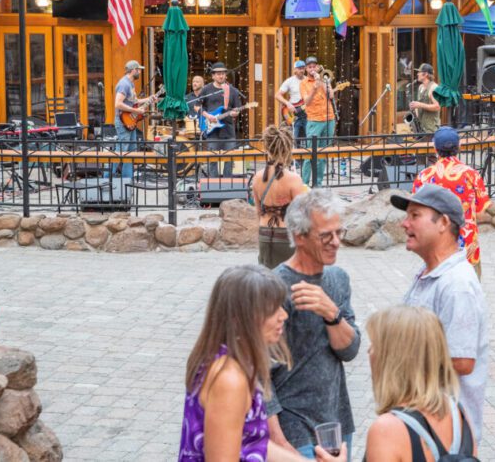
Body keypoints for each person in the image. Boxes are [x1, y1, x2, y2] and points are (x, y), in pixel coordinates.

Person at [180, 265, 345, 462]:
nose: (283, 316)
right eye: (272, 309)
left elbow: (251, 442)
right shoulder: (229, 379)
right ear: (239, 319)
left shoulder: (238, 361)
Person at [269, 190, 361, 458]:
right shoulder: (275, 288)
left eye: (338, 233)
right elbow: (260, 375)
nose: (336, 242)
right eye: (325, 236)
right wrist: (280, 442)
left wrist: (331, 313)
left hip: (338, 426)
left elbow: (349, 350)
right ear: (299, 236)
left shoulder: (338, 279)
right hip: (294, 431)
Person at [395, 185, 488, 442]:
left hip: (444, 435)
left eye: (415, 216)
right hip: (423, 424)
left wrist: (394, 355)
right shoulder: (430, 274)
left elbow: (462, 360)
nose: (404, 224)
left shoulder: (457, 284)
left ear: (443, 223)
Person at [362, 305, 477, 461]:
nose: (369, 351)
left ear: (392, 359)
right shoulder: (457, 412)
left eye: (375, 344)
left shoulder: (387, 430)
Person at [412, 126, 490, 279]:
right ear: (459, 147)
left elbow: (416, 213)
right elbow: (481, 213)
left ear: (435, 147)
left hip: (435, 248)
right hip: (467, 248)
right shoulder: (471, 175)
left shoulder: (424, 176)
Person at [252, 126, 309, 268]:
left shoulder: (257, 178)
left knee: (268, 282)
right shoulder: (294, 179)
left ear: (268, 148)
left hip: (264, 233)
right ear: (287, 149)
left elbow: (258, 212)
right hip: (286, 235)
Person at [197, 62, 246, 177]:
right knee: (212, 159)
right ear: (213, 76)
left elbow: (236, 109)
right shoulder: (206, 89)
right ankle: (213, 183)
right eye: (218, 74)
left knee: (229, 159)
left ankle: (227, 183)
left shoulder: (232, 91)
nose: (221, 76)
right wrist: (208, 116)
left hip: (228, 130)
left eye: (223, 73)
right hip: (212, 130)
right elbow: (197, 106)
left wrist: (235, 113)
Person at [111, 60, 153, 180]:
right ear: (133, 70)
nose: (140, 72)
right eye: (138, 70)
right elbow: (118, 104)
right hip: (123, 122)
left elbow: (134, 101)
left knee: (131, 151)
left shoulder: (131, 84)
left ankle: (127, 180)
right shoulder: (124, 84)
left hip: (130, 122)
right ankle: (107, 178)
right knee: (121, 150)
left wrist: (149, 99)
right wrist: (136, 111)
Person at [300, 57, 336, 186]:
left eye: (314, 66)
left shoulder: (324, 79)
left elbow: (331, 96)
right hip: (314, 120)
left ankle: (318, 184)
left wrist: (322, 83)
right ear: (306, 69)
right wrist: (315, 88)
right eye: (309, 67)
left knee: (322, 154)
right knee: (310, 153)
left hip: (328, 118)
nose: (312, 69)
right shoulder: (303, 83)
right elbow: (306, 102)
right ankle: (304, 184)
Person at [277, 60, 308, 142]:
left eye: (303, 68)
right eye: (299, 68)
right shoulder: (289, 81)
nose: (302, 70)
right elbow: (277, 95)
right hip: (293, 114)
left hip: (306, 114)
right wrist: (288, 104)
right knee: (293, 139)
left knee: (308, 139)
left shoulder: (308, 81)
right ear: (295, 70)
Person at [409, 63, 441, 134]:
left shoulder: (434, 88)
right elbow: (419, 105)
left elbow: (437, 107)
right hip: (421, 128)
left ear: (425, 74)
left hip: (431, 129)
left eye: (419, 72)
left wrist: (420, 105)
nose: (417, 74)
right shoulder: (421, 87)